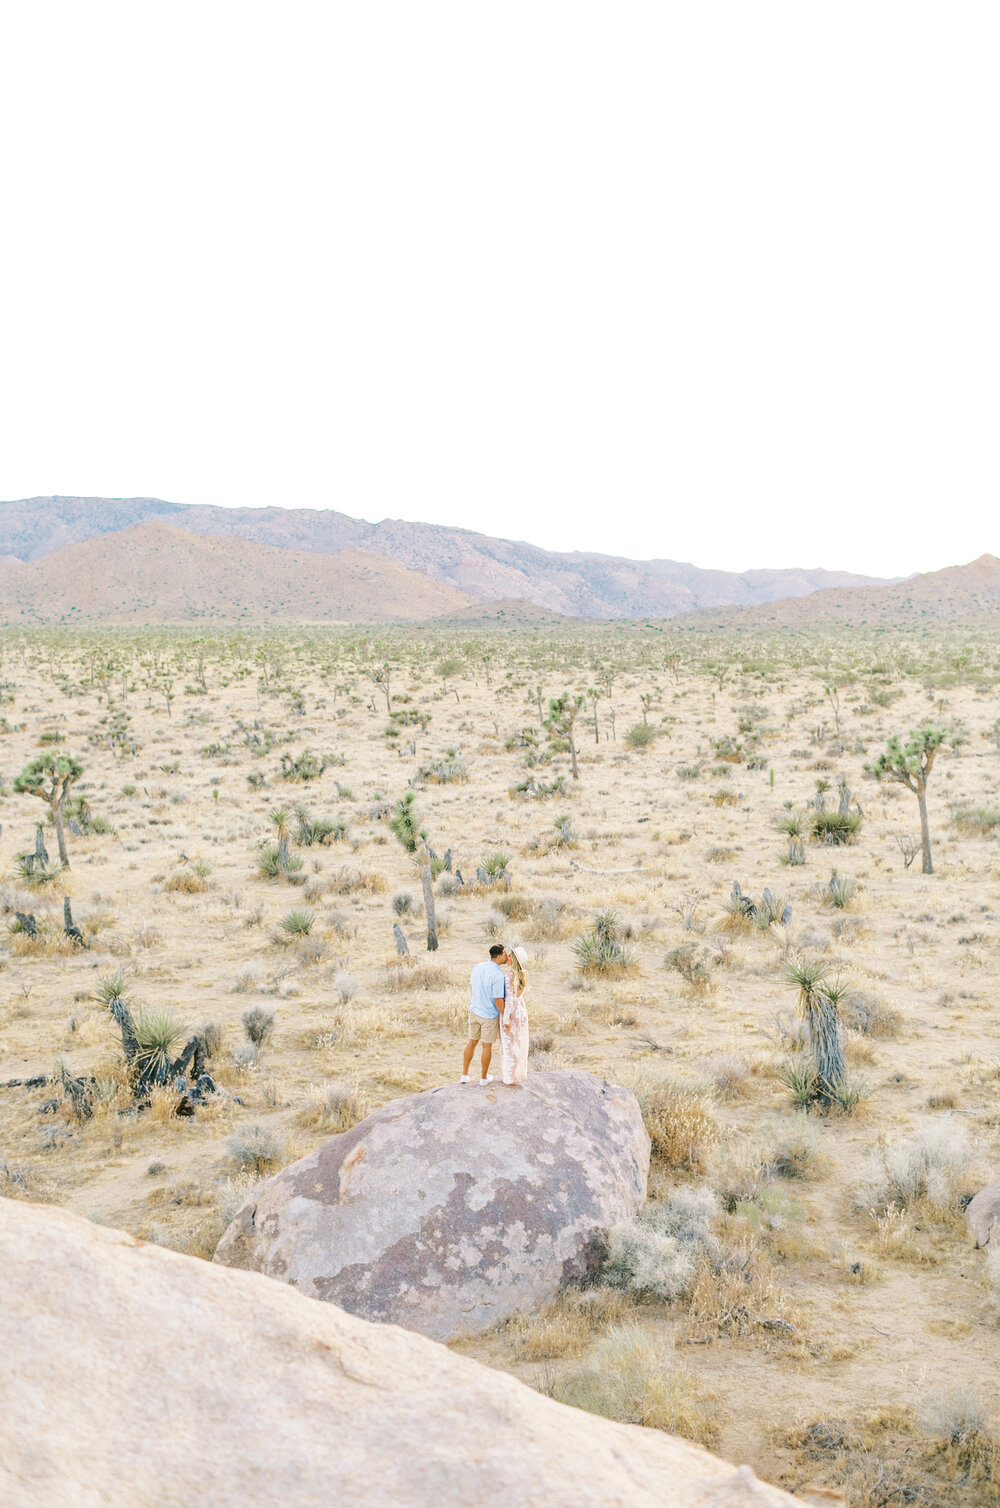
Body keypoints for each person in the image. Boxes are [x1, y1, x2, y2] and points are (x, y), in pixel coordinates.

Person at [462, 944, 507, 1085]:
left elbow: (472, 986)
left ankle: (464, 1074)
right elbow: (498, 999)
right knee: (486, 1047)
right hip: (488, 1015)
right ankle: (483, 1077)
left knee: (471, 1042)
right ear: (499, 957)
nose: (507, 957)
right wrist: (505, 1014)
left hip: (474, 1010)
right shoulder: (498, 975)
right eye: (505, 955)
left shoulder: (478, 967)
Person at [499, 945, 530, 1086]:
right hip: (521, 1012)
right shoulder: (524, 974)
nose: (508, 957)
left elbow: (510, 1000)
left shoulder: (510, 977)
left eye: (510, 955)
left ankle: (510, 1077)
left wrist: (506, 1018)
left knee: (508, 1043)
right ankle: (518, 1073)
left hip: (513, 1012)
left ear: (515, 960)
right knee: (519, 1042)